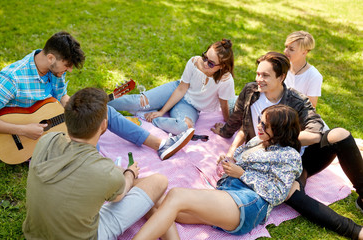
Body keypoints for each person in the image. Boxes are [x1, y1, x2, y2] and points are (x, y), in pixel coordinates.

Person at [0, 31, 194, 161]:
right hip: (22, 141)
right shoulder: (13, 78)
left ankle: (160, 144)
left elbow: (62, 99)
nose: (70, 71)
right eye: (67, 65)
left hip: (53, 126)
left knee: (102, 110)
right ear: (51, 59)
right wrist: (23, 130)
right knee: (86, 142)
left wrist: (79, 106)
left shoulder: (53, 71)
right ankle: (100, 178)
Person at [211, 52, 363, 239]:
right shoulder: (251, 92)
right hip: (276, 164)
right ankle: (355, 231)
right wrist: (228, 141)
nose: (259, 79)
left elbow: (316, 132)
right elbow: (240, 123)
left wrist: (280, 136)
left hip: (301, 155)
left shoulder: (295, 99)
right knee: (290, 191)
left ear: (281, 77)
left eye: (265, 75)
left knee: (341, 134)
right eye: (258, 74)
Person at [132, 105, 303, 239]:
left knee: (176, 195)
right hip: (229, 194)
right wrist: (229, 162)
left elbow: (278, 194)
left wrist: (242, 174)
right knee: (157, 202)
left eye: (265, 125)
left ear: (280, 130)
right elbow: (241, 162)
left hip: (248, 202)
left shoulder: (289, 156)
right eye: (260, 120)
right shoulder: (259, 140)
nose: (259, 126)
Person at [23, 87, 168, 239]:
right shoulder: (105, 171)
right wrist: (130, 174)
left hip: (34, 235)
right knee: (159, 181)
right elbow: (119, 195)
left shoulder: (46, 140)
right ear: (104, 125)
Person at [108, 39, 235, 135]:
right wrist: (162, 111)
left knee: (184, 128)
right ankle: (99, 102)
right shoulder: (194, 62)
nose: (205, 63)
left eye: (211, 63)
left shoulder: (226, 80)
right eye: (205, 57)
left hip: (190, 106)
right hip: (175, 89)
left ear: (222, 66)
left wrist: (227, 126)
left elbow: (224, 104)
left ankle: (146, 116)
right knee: (138, 102)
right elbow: (181, 88)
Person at [284, 31, 322, 108]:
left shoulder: (314, 76)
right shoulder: (282, 66)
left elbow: (311, 107)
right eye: (286, 47)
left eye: (291, 49)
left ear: (304, 53)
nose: (285, 51)